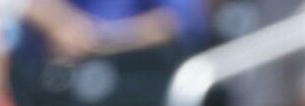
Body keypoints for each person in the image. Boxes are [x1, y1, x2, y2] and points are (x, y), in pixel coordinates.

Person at [17, 0, 208, 62]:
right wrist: (56, 21)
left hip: (135, 78)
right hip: (48, 85)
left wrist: (101, 38)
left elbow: (176, 21)